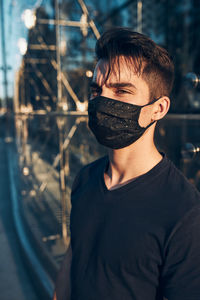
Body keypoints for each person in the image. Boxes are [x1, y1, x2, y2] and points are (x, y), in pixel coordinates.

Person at [53, 27, 200, 300]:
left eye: (121, 91)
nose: (103, 100)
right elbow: (75, 255)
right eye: (97, 90)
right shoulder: (85, 178)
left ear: (159, 109)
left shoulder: (183, 211)